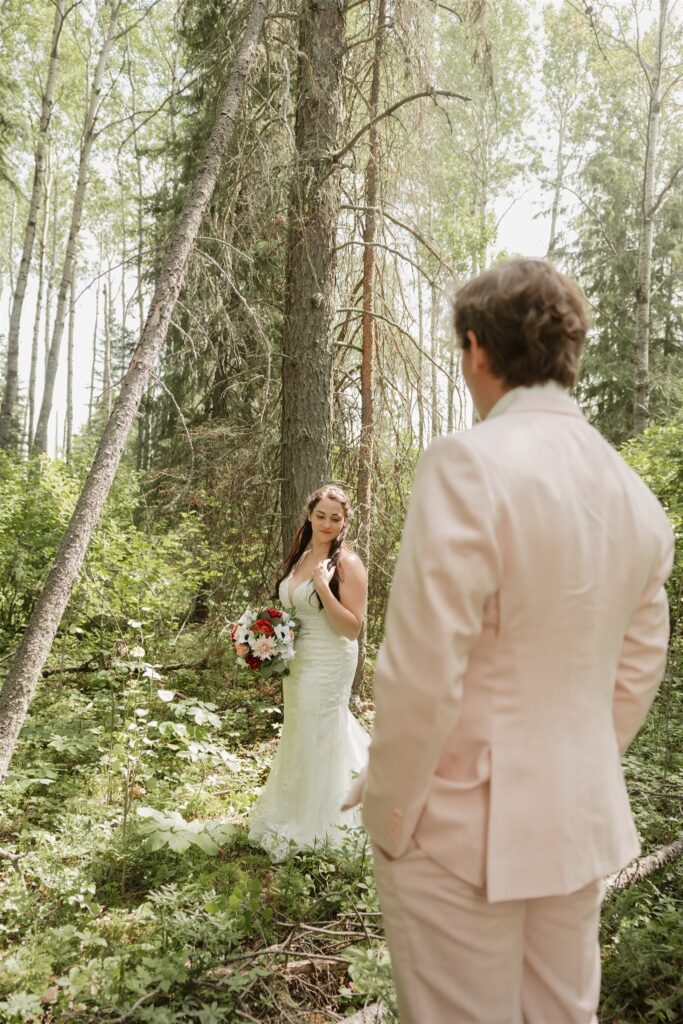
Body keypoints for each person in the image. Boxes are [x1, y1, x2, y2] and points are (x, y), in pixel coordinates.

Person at [343, 259, 674, 1023]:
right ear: (568, 353)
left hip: (456, 829)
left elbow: (422, 670)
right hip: (577, 819)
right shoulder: (637, 500)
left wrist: (391, 815)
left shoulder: (466, 464)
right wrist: (571, 770)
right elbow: (634, 674)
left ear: (476, 349)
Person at [249, 484, 370, 860]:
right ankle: (295, 808)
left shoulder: (347, 563)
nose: (327, 523)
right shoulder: (300, 556)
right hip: (298, 661)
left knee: (324, 729)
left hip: (331, 658)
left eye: (336, 518)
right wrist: (264, 635)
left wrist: (324, 587)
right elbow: (293, 609)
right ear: (310, 515)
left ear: (345, 521)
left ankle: (325, 824)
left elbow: (352, 627)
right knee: (301, 730)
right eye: (321, 516)